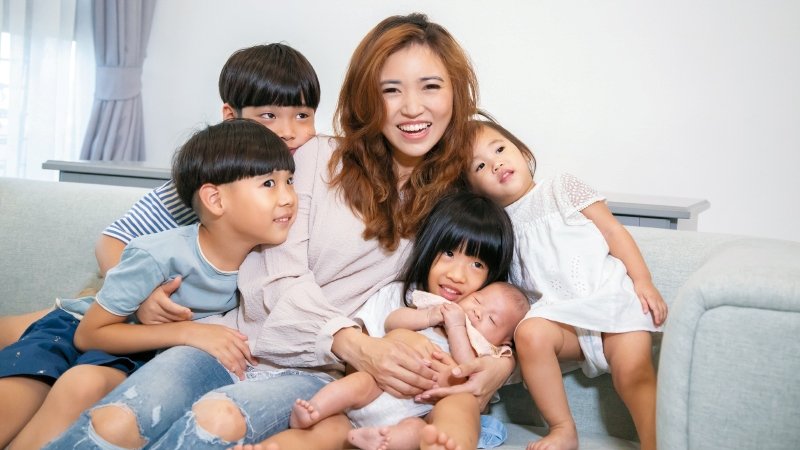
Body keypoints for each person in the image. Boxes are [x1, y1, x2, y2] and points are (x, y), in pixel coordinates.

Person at [47, 13, 513, 450]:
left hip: (316, 375)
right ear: (367, 97)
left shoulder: (461, 202)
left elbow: (511, 296)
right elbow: (271, 276)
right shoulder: (312, 159)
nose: (412, 107)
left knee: (216, 420)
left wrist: (501, 364)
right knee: (116, 421)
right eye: (391, 90)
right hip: (233, 342)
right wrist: (355, 344)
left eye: (431, 86)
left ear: (455, 94)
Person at [0, 119, 296, 449]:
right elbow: (89, 333)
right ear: (215, 199)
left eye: (290, 181)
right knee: (42, 392)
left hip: (139, 357)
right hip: (83, 329)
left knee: (87, 387)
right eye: (269, 183)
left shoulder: (267, 262)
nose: (288, 197)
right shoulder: (159, 254)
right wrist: (188, 332)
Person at [0, 42, 320, 345]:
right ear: (230, 117)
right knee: (47, 328)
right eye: (269, 116)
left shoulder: (307, 177)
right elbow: (111, 241)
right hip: (131, 302)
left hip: (192, 322)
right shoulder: (211, 181)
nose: (288, 132)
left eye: (302, 116)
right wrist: (143, 298)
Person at [246, 190, 519, 450]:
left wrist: (468, 352)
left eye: (477, 265)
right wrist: (420, 323)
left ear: (492, 276)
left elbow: (480, 372)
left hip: (421, 417)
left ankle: (448, 443)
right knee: (329, 426)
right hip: (368, 398)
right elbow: (367, 349)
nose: (457, 275)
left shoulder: (485, 334)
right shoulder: (401, 296)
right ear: (430, 247)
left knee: (460, 405)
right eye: (448, 253)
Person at [465, 117, 669, 450]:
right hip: (565, 324)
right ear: (475, 191)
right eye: (480, 166)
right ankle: (562, 428)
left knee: (633, 374)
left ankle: (654, 444)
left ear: (522, 151)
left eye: (500, 149)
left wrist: (643, 280)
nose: (496, 164)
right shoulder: (498, 228)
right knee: (530, 333)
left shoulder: (561, 188)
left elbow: (613, 230)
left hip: (613, 304)